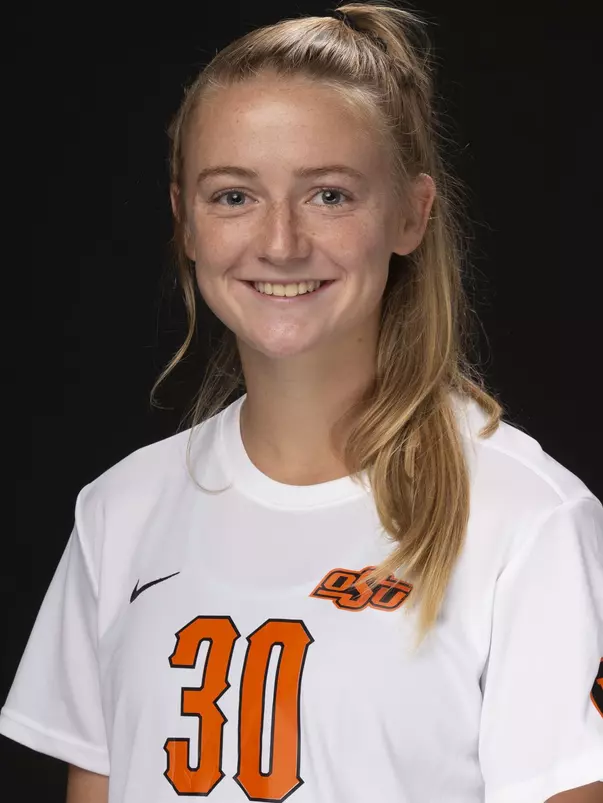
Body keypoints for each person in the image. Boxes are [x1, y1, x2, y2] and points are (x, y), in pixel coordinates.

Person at [2, 2, 602, 801]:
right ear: (184, 220)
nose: (279, 242)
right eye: (232, 196)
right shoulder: (121, 510)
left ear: (410, 214)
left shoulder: (527, 519)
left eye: (327, 195)